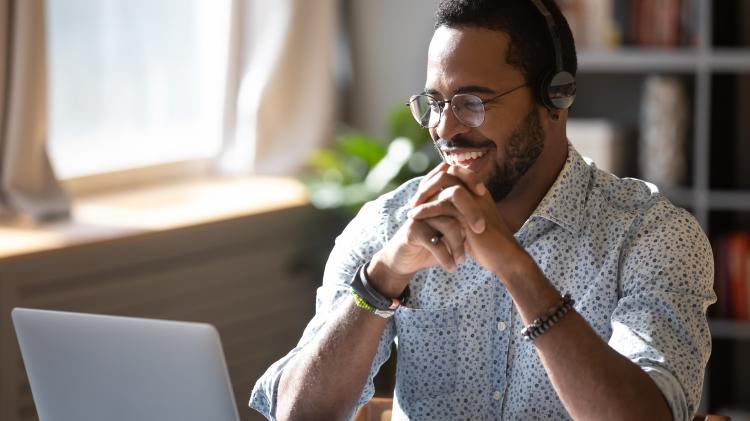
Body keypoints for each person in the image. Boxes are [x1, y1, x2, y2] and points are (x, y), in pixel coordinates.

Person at [250, 0, 716, 420]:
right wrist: (382, 279)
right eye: (435, 102)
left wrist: (516, 269)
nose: (445, 128)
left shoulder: (652, 236)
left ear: (555, 98)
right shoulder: (390, 225)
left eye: (472, 102)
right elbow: (296, 416)